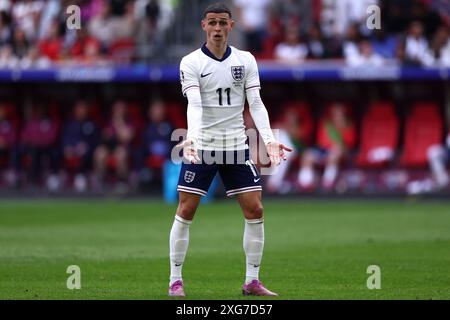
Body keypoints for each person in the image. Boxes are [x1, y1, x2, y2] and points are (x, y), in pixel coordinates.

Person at [169, 3, 291, 297]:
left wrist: (268, 138)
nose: (218, 28)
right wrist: (194, 138)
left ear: (231, 26)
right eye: (212, 23)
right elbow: (194, 104)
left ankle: (252, 281)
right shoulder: (191, 62)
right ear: (204, 26)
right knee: (186, 209)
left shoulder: (246, 60)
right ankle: (175, 280)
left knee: (255, 208)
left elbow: (256, 102)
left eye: (223, 23)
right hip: (204, 146)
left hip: (236, 145)